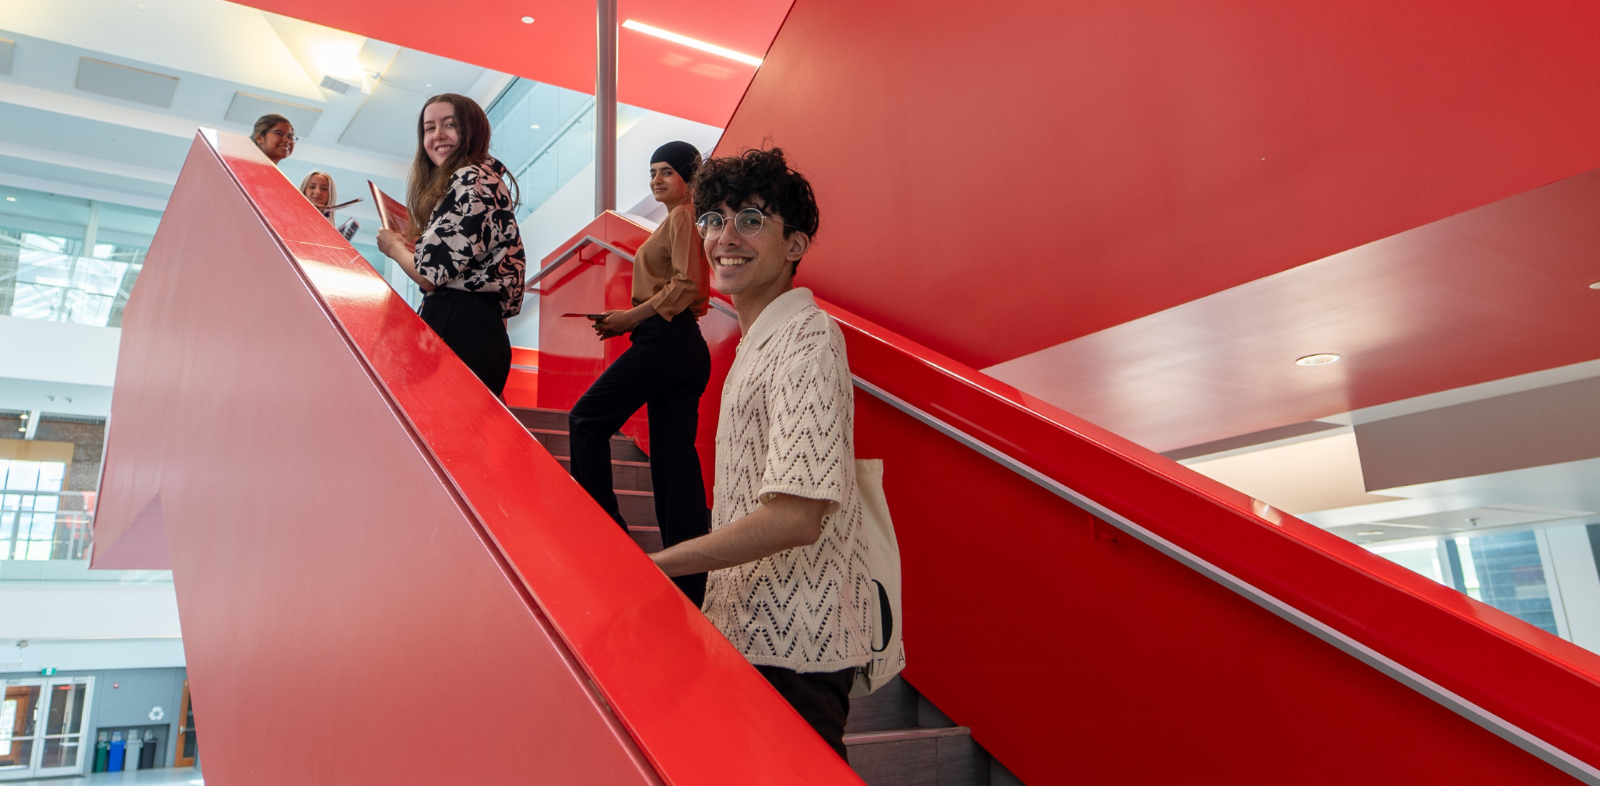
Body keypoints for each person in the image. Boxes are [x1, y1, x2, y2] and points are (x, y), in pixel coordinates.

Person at [649, 148, 870, 760]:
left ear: (794, 245)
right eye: (714, 220)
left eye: (751, 219)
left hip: (796, 646)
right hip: (753, 634)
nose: (725, 237)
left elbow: (796, 517)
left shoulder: (809, 338)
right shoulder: (757, 344)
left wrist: (660, 564)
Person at [569, 141, 713, 606]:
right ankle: (691, 583)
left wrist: (630, 319)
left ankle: (608, 536)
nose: (655, 180)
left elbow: (686, 284)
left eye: (666, 171)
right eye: (652, 172)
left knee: (585, 420)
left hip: (668, 338)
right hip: (677, 342)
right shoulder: (675, 220)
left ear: (688, 177)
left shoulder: (684, 216)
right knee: (675, 465)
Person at [375, 94, 525, 396]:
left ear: (473, 130)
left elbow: (429, 277)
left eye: (450, 125)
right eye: (429, 128)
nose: (438, 135)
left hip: (459, 325)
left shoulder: (470, 179)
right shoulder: (487, 179)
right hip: (482, 327)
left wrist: (393, 248)